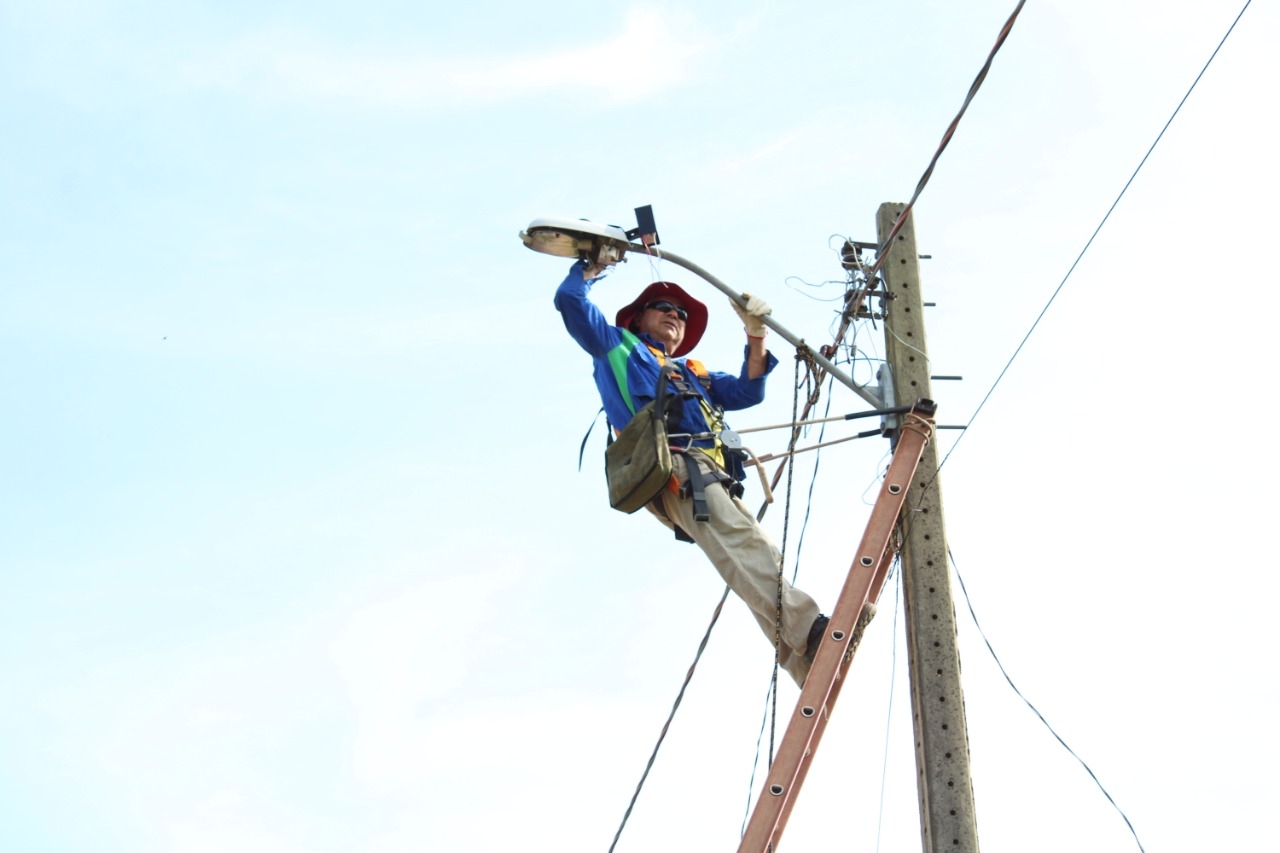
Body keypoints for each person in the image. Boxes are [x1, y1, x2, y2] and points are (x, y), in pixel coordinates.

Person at [554, 259, 828, 687]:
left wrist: (756, 333)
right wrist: (592, 266)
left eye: (681, 313)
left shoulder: (693, 373)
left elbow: (747, 392)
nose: (675, 315)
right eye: (663, 307)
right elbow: (570, 301)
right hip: (675, 468)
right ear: (639, 317)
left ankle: (807, 665)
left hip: (707, 473)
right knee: (745, 545)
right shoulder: (617, 347)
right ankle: (809, 630)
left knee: (752, 556)